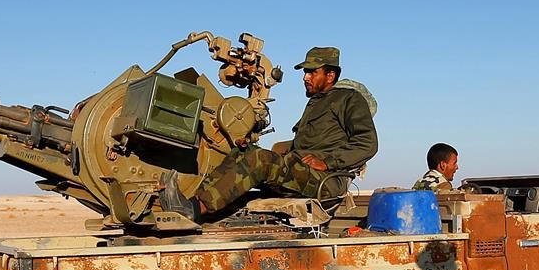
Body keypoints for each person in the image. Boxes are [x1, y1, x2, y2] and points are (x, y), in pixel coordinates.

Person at [155, 46, 378, 220]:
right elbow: (305, 146)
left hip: (326, 182)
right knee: (242, 152)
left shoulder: (349, 100)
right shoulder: (317, 103)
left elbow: (367, 143)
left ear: (330, 76)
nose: (305, 77)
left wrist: (327, 162)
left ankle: (192, 210)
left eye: (312, 72)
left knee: (260, 160)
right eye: (306, 72)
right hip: (303, 171)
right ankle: (192, 204)